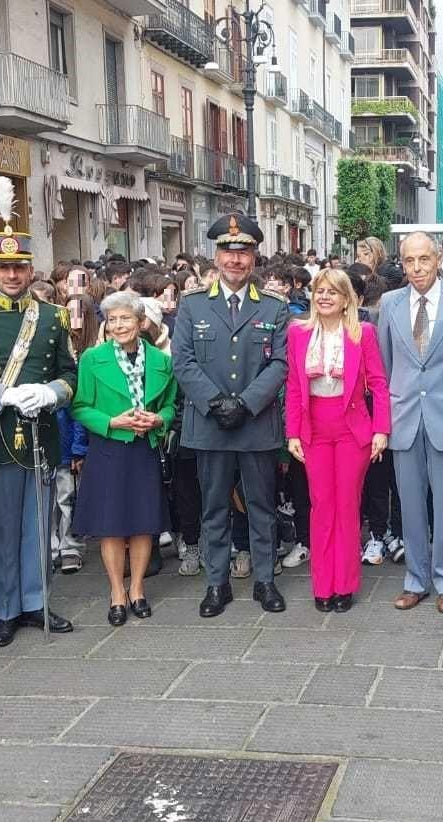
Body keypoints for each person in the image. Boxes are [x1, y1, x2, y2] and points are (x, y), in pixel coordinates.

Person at [0, 179, 78, 646]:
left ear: (30, 269)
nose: (12, 275)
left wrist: (51, 394)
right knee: (3, 527)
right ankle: (5, 608)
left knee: (40, 526)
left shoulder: (53, 316)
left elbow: (70, 373)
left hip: (40, 431)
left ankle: (35, 601)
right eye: (4, 267)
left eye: (20, 266)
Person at [171, 213, 290, 618]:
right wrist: (215, 402)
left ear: (254, 258)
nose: (235, 260)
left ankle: (264, 581)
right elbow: (183, 362)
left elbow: (281, 364)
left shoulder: (274, 307)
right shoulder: (193, 305)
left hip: (255, 424)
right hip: (210, 424)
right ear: (215, 256)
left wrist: (245, 403)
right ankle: (216, 583)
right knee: (214, 506)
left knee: (261, 506)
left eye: (243, 252)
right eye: (227, 251)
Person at [379, 232, 443, 615]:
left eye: (424, 259)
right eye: (410, 261)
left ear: (438, 258)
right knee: (409, 504)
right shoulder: (389, 303)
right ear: (402, 263)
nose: (418, 267)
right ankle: (415, 579)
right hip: (404, 416)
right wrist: (385, 418)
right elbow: (385, 368)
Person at [71, 292, 178, 625]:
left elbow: (172, 406)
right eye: (112, 319)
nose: (118, 325)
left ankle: (138, 588)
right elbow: (79, 406)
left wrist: (159, 419)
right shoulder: (92, 358)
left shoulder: (161, 361)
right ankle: (117, 591)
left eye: (125, 318)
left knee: (143, 524)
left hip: (144, 449)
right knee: (112, 525)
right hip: (109, 449)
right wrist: (110, 422)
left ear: (140, 322)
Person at [287, 270, 390, 612]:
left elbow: (378, 384)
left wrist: (380, 430)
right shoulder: (299, 334)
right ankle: (323, 584)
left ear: (347, 299)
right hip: (314, 428)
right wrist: (292, 433)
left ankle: (345, 584)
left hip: (351, 429)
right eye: (320, 291)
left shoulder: (364, 334)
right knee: (321, 507)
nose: (325, 297)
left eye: (333, 292)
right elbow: (293, 387)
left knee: (346, 506)